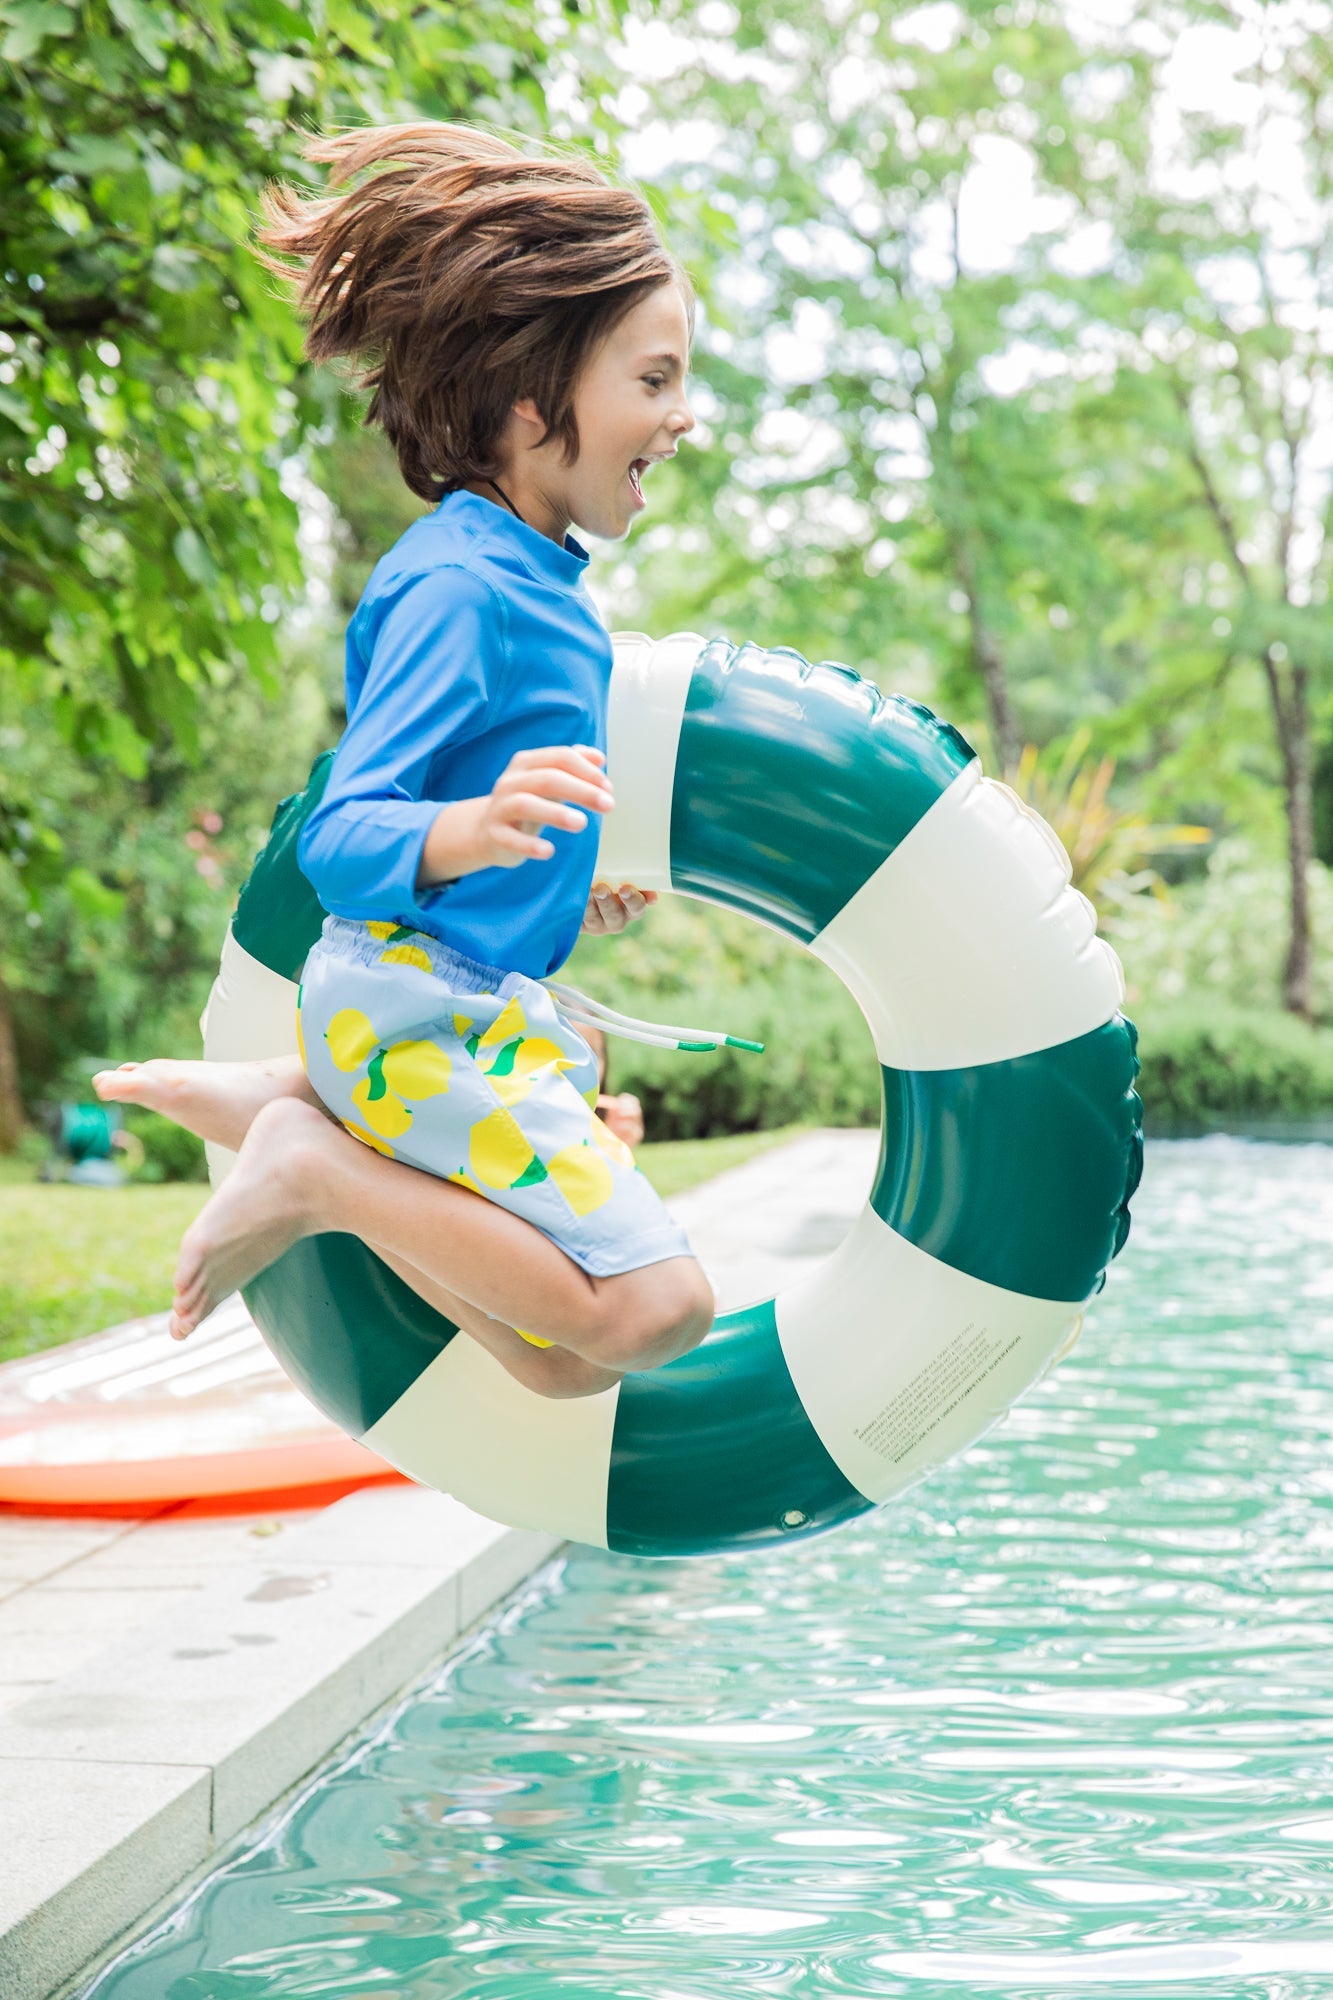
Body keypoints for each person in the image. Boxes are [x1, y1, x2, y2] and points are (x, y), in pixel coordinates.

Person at [93, 120, 715, 1401]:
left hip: (462, 994)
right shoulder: (458, 585)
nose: (683, 416)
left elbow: (467, 820)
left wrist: (557, 875)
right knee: (658, 1307)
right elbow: (346, 832)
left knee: (563, 1369)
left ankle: (304, 1111)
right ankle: (315, 1161)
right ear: (535, 400)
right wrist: (466, 831)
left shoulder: (541, 588)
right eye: (652, 382)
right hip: (420, 1002)